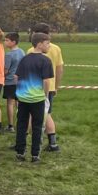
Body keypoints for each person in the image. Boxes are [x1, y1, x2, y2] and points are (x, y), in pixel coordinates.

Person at [14, 32, 54, 162]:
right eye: (47, 43)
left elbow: (16, 77)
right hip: (38, 99)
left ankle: (20, 152)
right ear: (39, 44)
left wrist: (20, 91)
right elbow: (46, 81)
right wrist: (45, 94)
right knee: (37, 126)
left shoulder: (24, 59)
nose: (49, 46)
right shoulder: (45, 60)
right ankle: (35, 154)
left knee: (21, 124)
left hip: (23, 98)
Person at [35, 22, 64, 152]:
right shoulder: (56, 48)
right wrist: (56, 86)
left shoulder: (32, 50)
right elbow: (59, 69)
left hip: (36, 87)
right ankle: (52, 142)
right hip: (50, 86)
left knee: (41, 114)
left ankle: (51, 143)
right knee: (47, 113)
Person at [2, 32, 24, 132]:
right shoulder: (22, 52)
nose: (5, 42)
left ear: (13, 42)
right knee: (19, 103)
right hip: (20, 80)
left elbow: (6, 70)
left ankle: (10, 125)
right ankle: (21, 123)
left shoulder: (9, 55)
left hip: (10, 81)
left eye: (7, 40)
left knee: (10, 103)